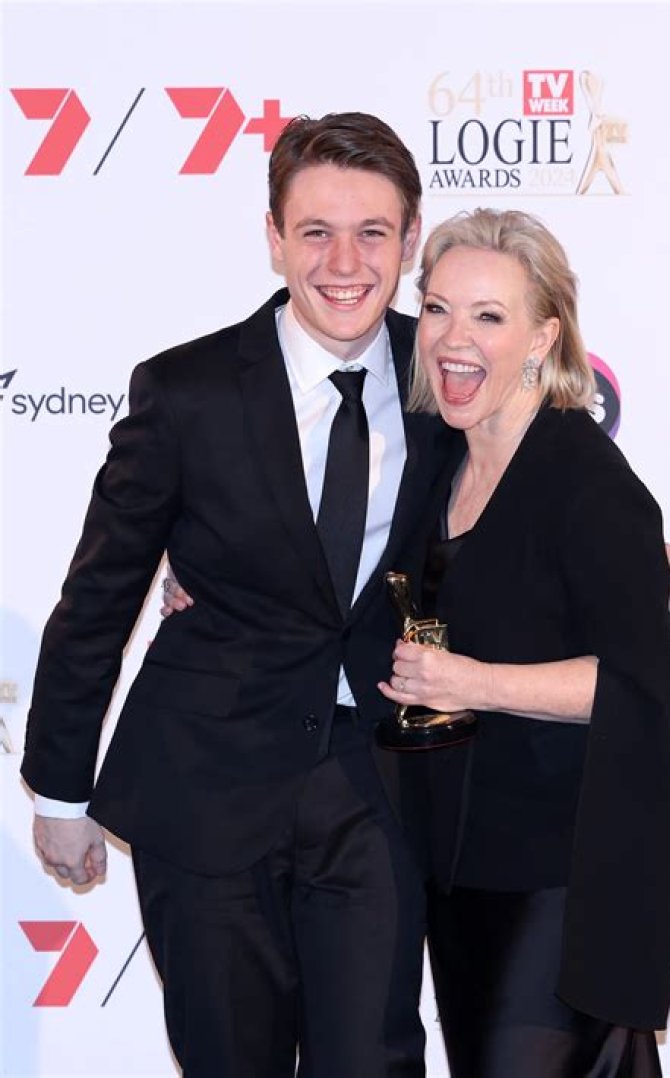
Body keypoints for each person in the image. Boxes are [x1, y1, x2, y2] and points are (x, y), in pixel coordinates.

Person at [21, 112, 463, 1078]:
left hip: (377, 785)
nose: (344, 263)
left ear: (410, 239)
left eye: (372, 232)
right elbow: (99, 594)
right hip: (205, 781)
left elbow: (513, 532)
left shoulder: (449, 383)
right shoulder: (187, 390)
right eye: (315, 231)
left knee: (373, 1060)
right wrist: (59, 789)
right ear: (273, 237)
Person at [373, 207, 670, 1076]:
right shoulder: (439, 460)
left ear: (543, 337)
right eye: (437, 309)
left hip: (561, 874)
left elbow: (634, 683)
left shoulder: (584, 480)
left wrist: (472, 681)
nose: (453, 339)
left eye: (489, 316)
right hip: (461, 866)